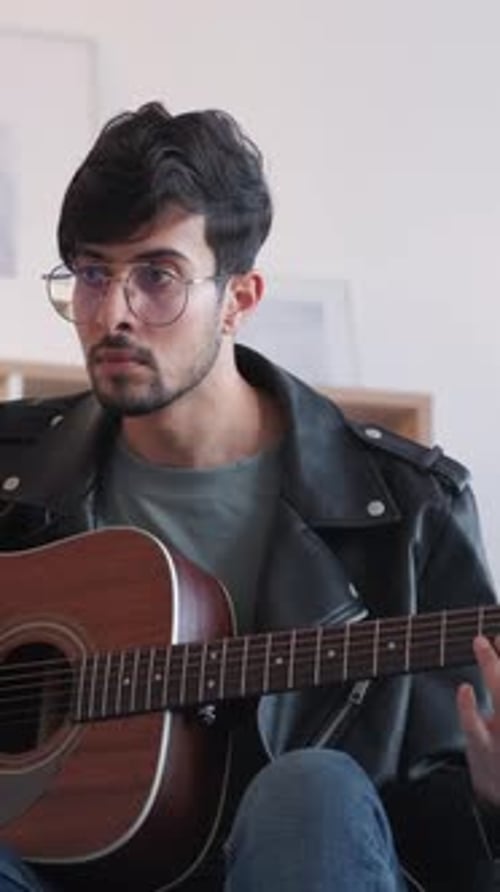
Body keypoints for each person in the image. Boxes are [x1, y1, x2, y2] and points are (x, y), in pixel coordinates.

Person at [0, 101, 497, 892]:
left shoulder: (411, 510)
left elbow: (444, 849)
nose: (113, 313)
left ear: (240, 297)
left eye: (156, 276)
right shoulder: (11, 466)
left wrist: (490, 797)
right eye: (93, 274)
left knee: (313, 788)